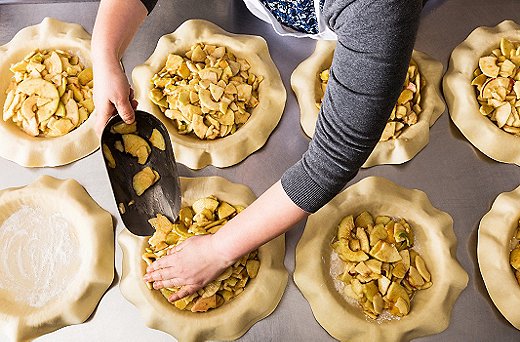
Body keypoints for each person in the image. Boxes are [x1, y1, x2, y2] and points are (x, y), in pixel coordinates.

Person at [92, 0, 422, 302]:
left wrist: (220, 249)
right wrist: (105, 53)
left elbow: (333, 158)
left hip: (357, 29)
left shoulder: (378, 9)